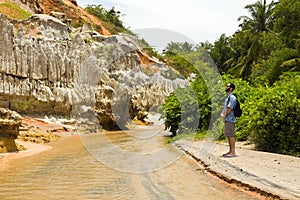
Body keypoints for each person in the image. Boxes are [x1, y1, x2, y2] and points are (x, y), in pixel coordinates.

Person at [221, 83, 237, 158]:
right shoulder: (227, 97)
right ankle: (230, 151)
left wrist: (224, 115)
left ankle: (233, 152)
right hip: (227, 119)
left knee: (231, 135)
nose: (226, 87)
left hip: (230, 118)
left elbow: (229, 108)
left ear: (231, 88)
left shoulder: (232, 97)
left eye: (227, 86)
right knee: (228, 135)